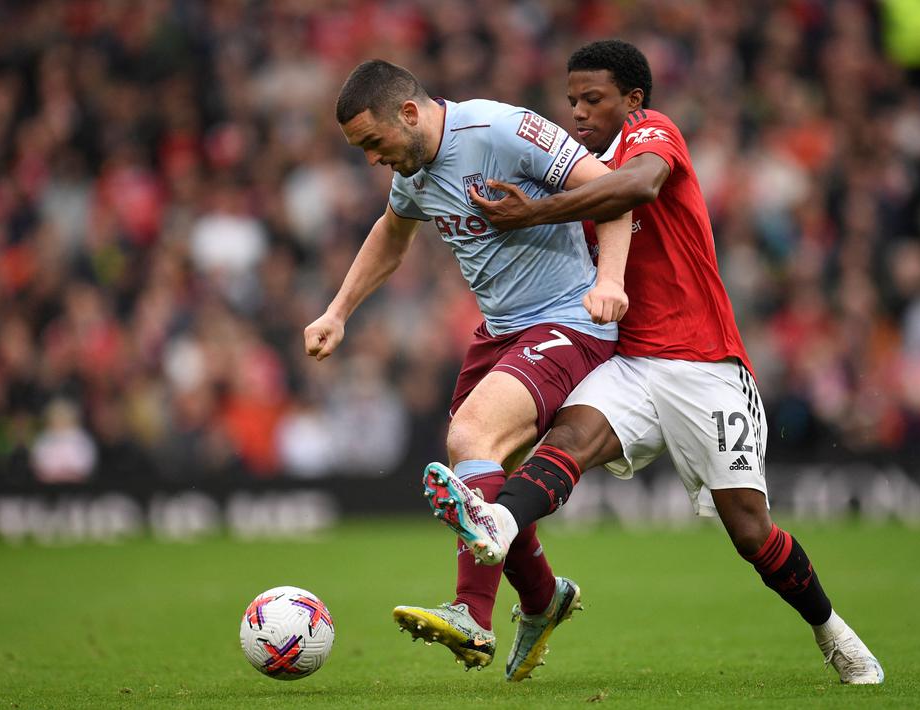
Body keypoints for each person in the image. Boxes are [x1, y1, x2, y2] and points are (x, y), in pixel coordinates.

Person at [423, 39, 885, 685]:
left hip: (706, 364)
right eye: (571, 101)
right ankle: (496, 522)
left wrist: (536, 210)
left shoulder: (652, 132)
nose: (578, 112)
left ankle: (829, 629)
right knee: (568, 440)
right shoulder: (571, 167)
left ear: (631, 99)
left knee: (750, 533)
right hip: (632, 361)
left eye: (593, 99)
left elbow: (635, 188)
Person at [302, 59, 634, 681]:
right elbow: (392, 233)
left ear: (409, 113)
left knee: (469, 441)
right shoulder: (415, 169)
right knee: (481, 480)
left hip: (569, 317)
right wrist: (338, 311)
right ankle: (542, 600)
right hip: (500, 333)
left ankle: (471, 615)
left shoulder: (500, 131)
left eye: (374, 143)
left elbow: (614, 191)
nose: (373, 159)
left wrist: (611, 280)